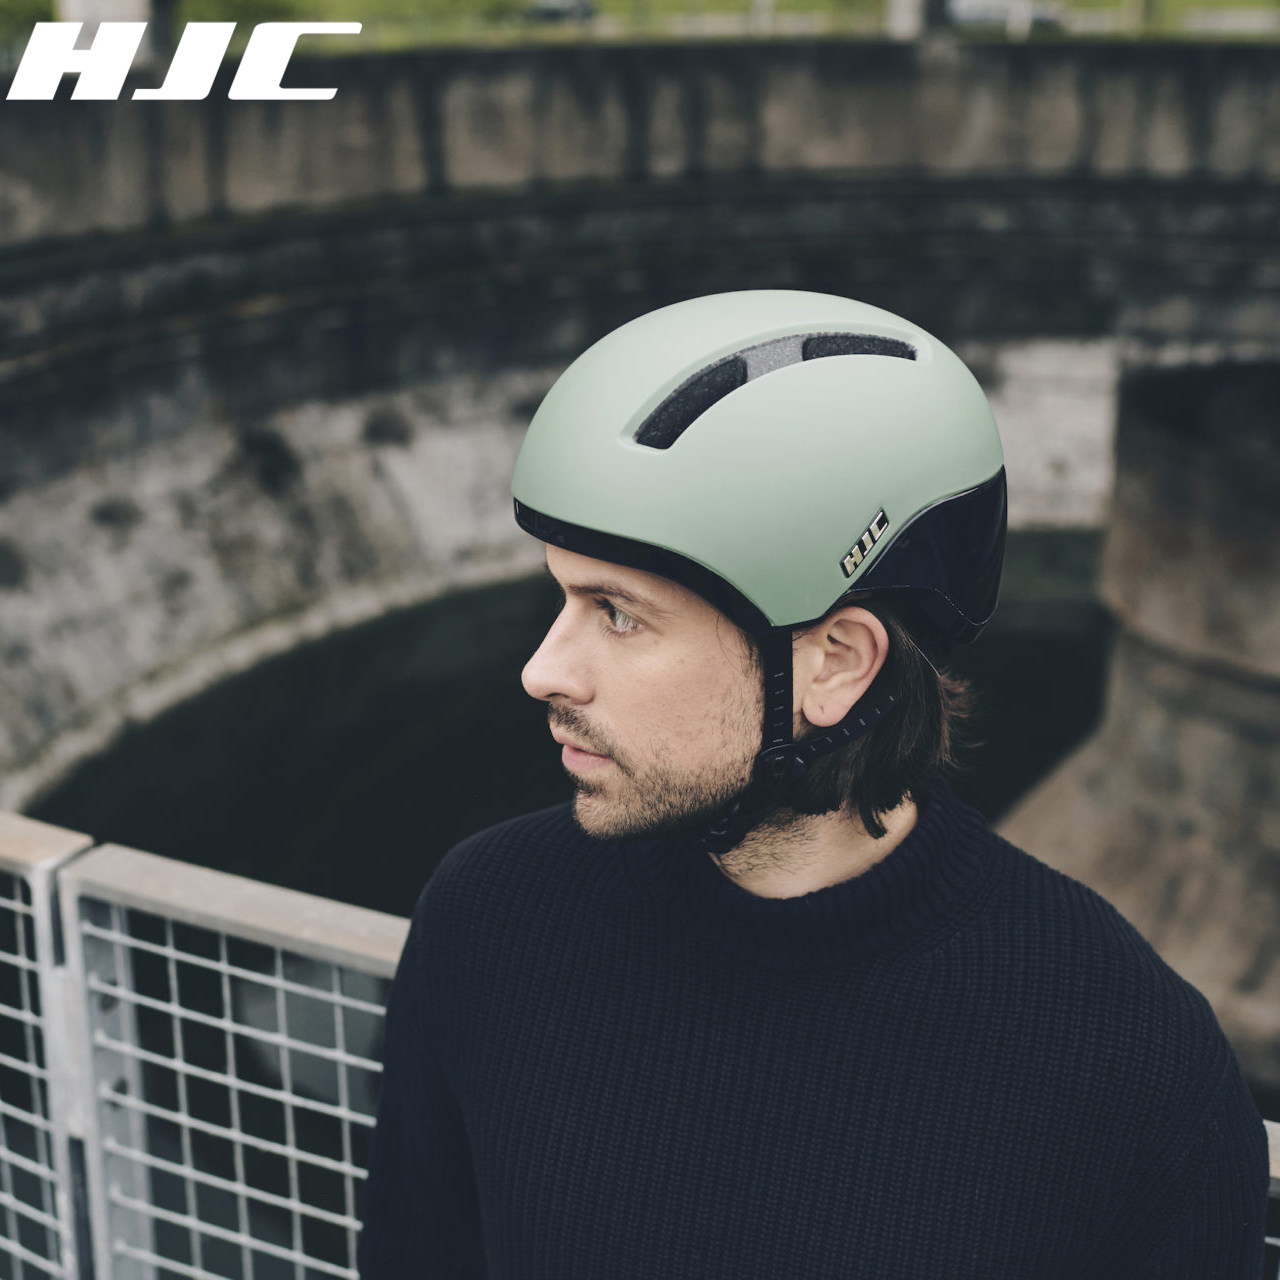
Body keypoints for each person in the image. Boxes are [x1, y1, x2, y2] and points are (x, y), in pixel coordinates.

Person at [357, 290, 1269, 1278]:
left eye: (617, 612)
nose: (543, 671)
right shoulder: (489, 919)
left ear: (836, 663)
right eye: (561, 595)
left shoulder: (1125, 1057)